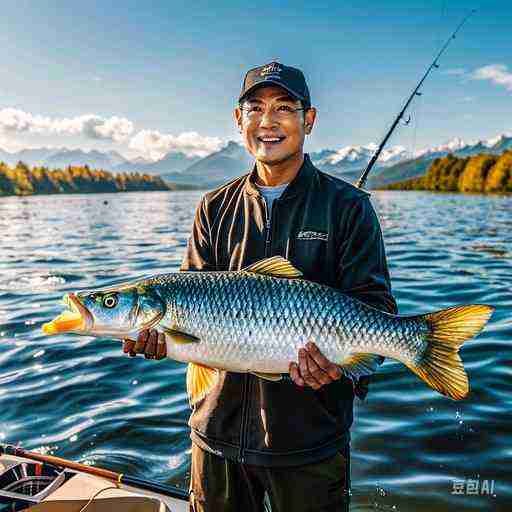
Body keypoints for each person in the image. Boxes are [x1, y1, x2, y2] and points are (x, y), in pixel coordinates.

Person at [123, 61, 398, 511]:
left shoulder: (350, 207)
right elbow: (189, 304)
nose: (268, 121)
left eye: (284, 108)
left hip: (311, 442)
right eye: (255, 107)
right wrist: (159, 342)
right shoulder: (213, 206)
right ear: (238, 120)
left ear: (308, 120)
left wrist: (345, 367)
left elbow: (375, 308)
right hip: (216, 436)